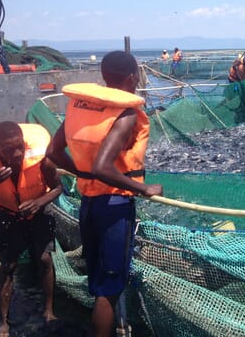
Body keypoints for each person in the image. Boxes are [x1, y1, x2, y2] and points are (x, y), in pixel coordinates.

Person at [46, 50, 163, 337]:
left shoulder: (80, 107)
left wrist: (82, 173)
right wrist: (143, 187)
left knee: (99, 279)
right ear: (133, 78)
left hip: (89, 204)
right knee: (109, 289)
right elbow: (103, 165)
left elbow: (53, 153)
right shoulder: (125, 114)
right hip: (114, 207)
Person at [0, 121, 61, 337]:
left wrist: (40, 202)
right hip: (8, 215)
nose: (18, 153)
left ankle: (49, 311)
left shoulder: (41, 159)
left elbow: (58, 187)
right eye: (9, 150)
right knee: (8, 266)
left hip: (39, 212)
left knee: (45, 259)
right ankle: (3, 323)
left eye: (20, 146)